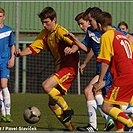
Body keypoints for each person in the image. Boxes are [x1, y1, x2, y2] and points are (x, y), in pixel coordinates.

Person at [14, 6, 79, 131]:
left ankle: (67, 109)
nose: (44, 25)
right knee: (52, 104)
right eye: (42, 22)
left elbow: (76, 43)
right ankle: (71, 128)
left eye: (47, 22)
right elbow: (33, 48)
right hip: (60, 67)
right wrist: (21, 53)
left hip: (69, 68)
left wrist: (72, 49)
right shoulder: (44, 34)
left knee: (46, 85)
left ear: (54, 20)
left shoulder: (60, 31)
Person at [64, 7, 115, 131]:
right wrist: (74, 41)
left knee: (90, 92)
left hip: (111, 69)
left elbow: (126, 38)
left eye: (85, 22)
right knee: (94, 92)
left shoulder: (108, 30)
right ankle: (104, 122)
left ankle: (99, 123)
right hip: (101, 69)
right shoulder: (91, 32)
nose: (82, 26)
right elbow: (87, 48)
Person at [93, 11, 133, 131]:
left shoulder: (106, 36)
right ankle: (120, 130)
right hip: (129, 73)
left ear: (100, 25)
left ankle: (130, 125)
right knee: (115, 105)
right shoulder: (121, 35)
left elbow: (105, 61)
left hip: (123, 76)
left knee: (106, 106)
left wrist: (100, 81)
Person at [0, 7, 15, 122]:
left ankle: (8, 113)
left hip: (4, 61)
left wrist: (12, 58)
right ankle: (3, 114)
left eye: (0, 16)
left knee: (4, 85)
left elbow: (12, 45)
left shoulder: (8, 30)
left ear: (3, 17)